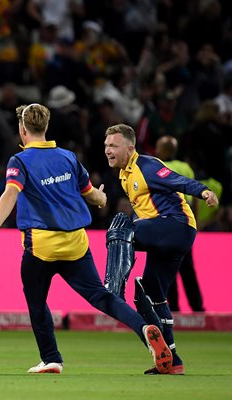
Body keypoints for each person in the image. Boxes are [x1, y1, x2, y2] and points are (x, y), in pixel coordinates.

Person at [0, 103, 172, 375]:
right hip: (76, 242)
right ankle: (144, 328)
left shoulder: (19, 161)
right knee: (102, 296)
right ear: (45, 127)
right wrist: (102, 198)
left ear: (22, 130)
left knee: (37, 302)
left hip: (41, 246)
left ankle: (51, 358)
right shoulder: (67, 157)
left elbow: (10, 193)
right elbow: (91, 193)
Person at [104, 123, 219, 375]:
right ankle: (171, 360)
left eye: (113, 145)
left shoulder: (145, 165)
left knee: (121, 227)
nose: (107, 150)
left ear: (130, 148)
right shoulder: (125, 175)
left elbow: (178, 181)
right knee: (149, 294)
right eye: (106, 145)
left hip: (175, 226)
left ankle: (112, 290)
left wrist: (204, 191)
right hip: (168, 233)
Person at [154, 136, 204, 312]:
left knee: (169, 265)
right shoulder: (186, 167)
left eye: (158, 147)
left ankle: (173, 307)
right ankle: (198, 308)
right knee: (188, 267)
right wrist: (195, 222)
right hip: (187, 220)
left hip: (169, 219)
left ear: (163, 150)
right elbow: (195, 196)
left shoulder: (158, 166)